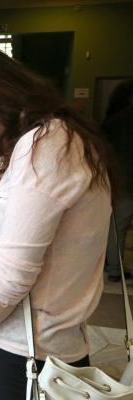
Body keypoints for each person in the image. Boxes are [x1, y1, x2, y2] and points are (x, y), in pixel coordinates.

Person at [0, 46, 113, 399]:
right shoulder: (48, 140)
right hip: (34, 348)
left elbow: (8, 279)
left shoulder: (45, 146)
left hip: (28, 356)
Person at [102, 79, 133, 282]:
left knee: (117, 229)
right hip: (124, 183)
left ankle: (114, 270)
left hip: (122, 183)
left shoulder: (112, 122)